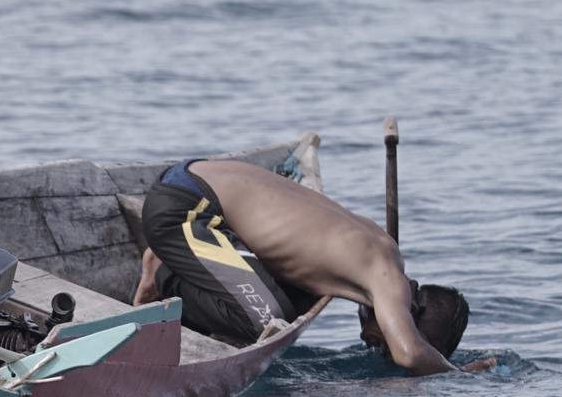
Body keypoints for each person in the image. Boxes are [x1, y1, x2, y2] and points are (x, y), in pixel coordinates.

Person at [133, 159, 483, 376]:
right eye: (383, 342)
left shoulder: (382, 249)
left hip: (196, 185)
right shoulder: (389, 280)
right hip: (187, 209)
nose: (370, 341)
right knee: (266, 320)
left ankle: (177, 257)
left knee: (293, 298)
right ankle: (165, 274)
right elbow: (410, 356)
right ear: (411, 314)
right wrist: (458, 373)